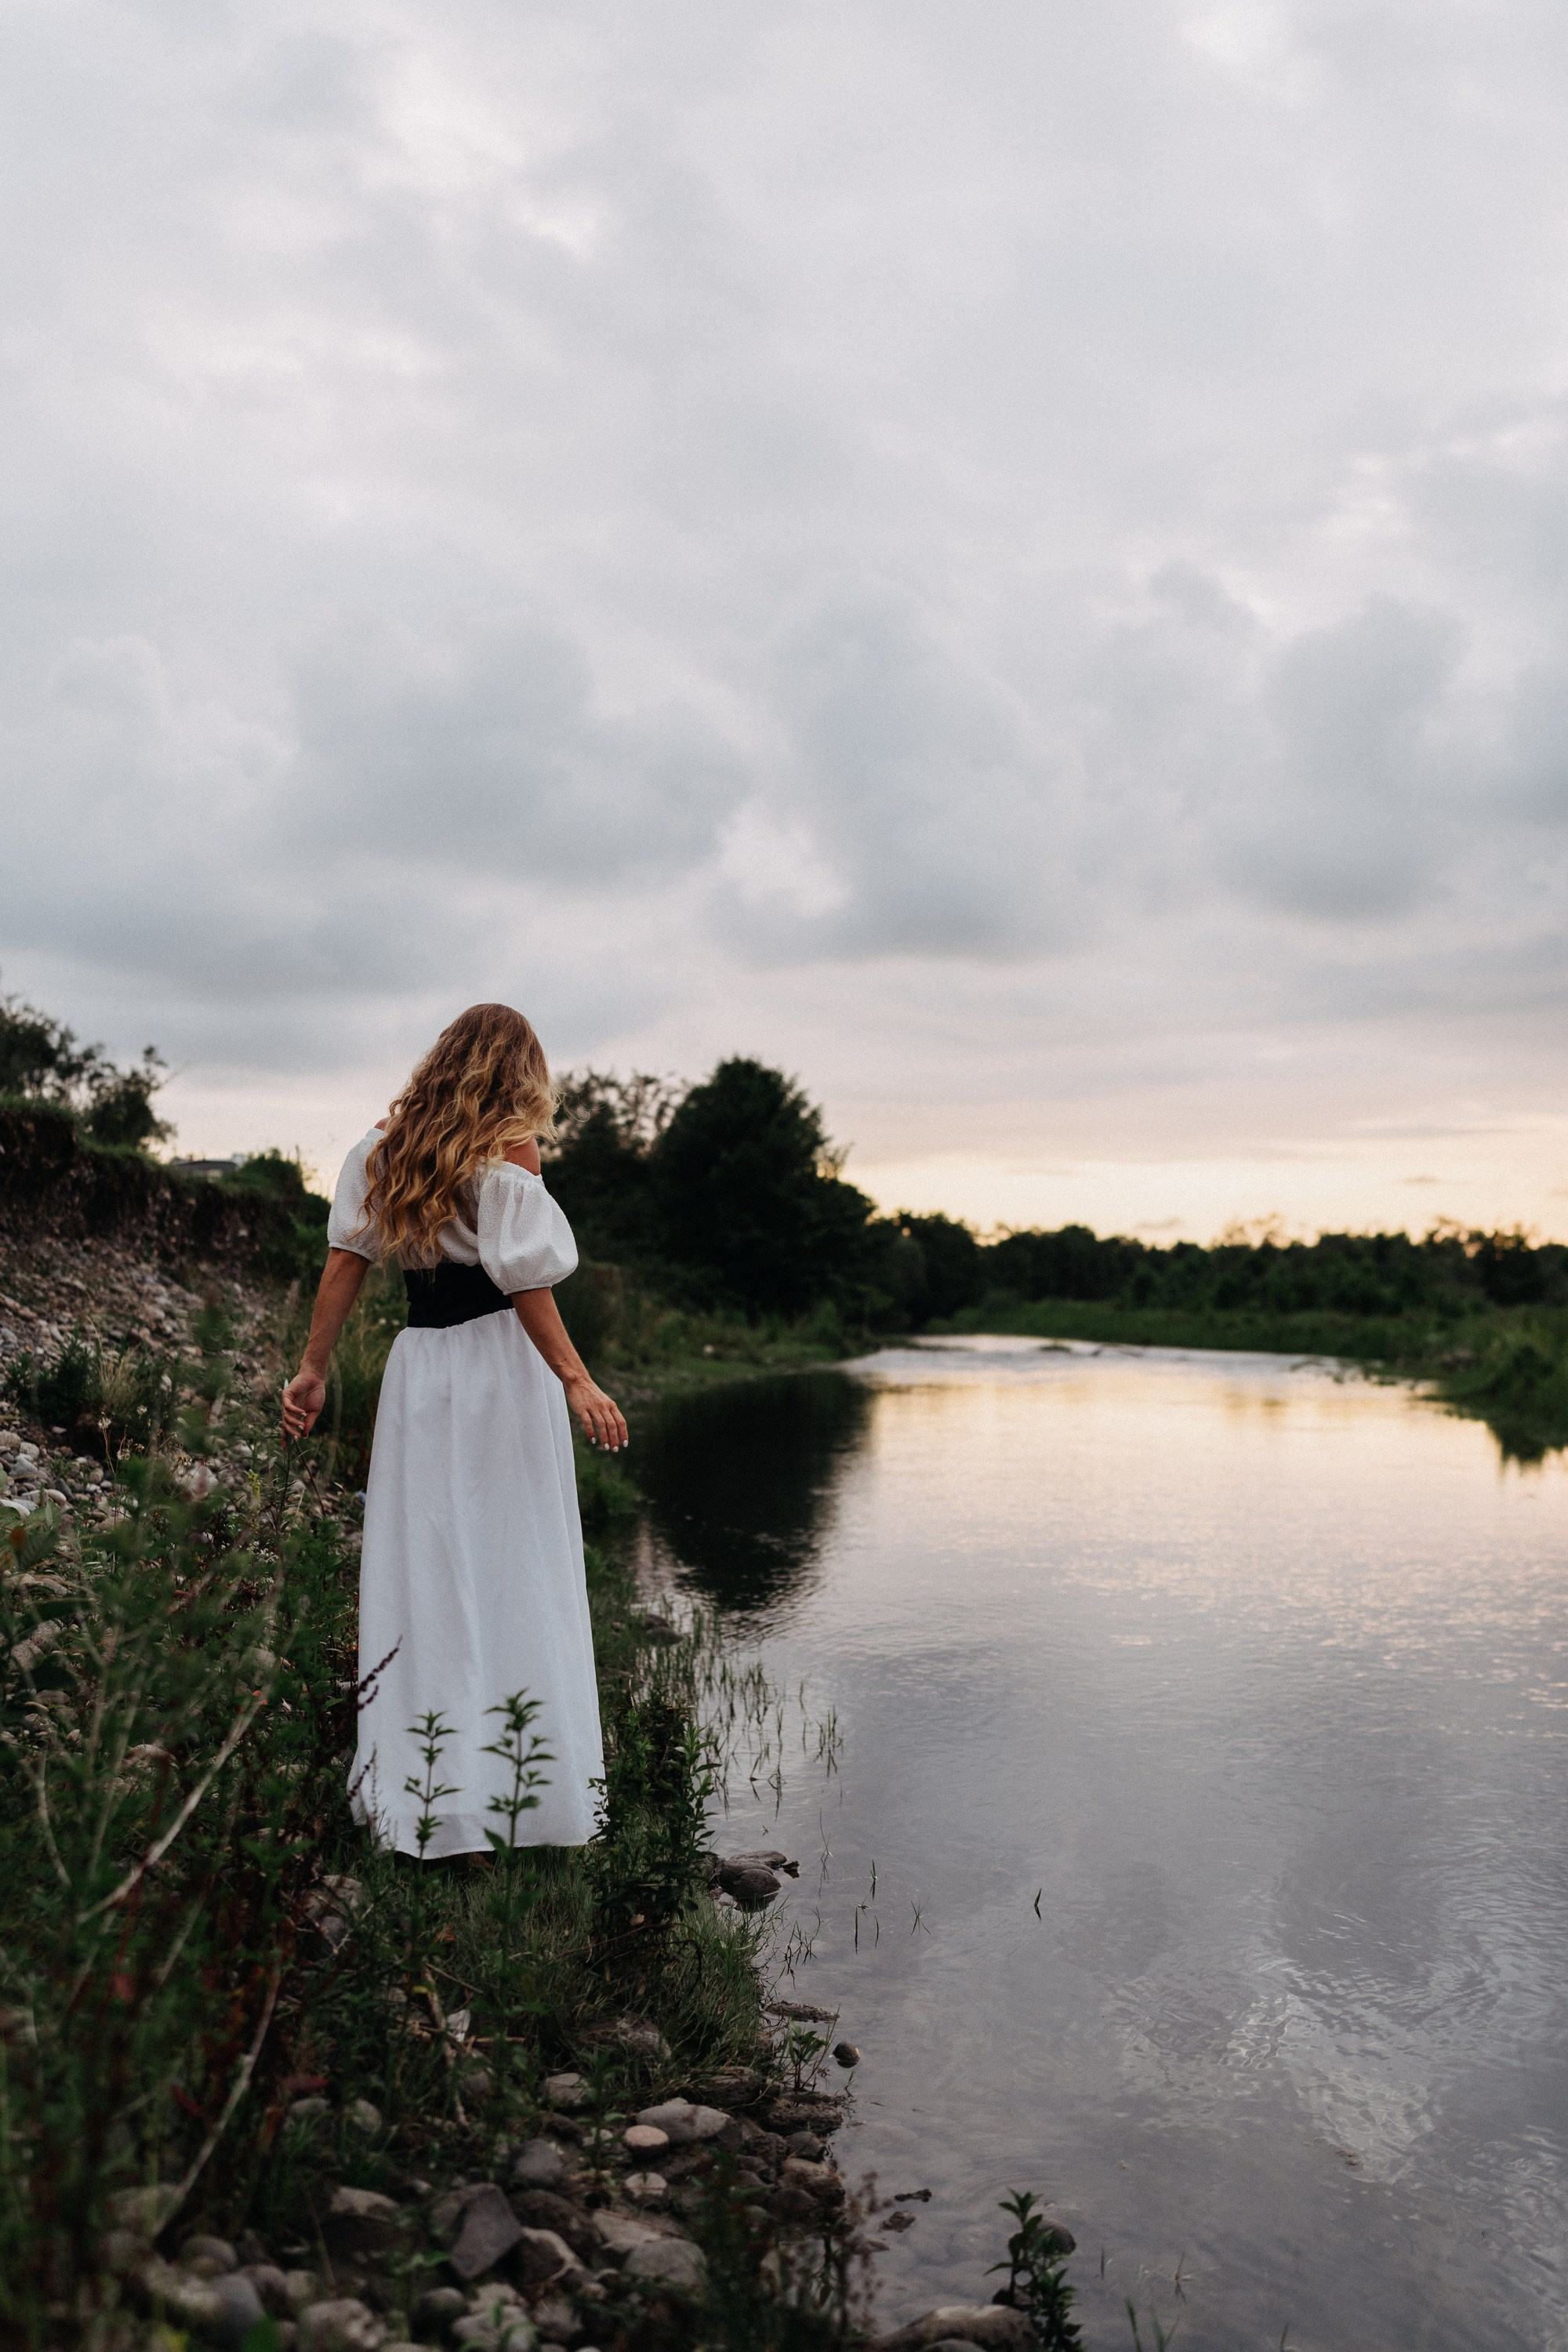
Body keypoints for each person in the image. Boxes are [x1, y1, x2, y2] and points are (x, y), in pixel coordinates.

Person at [280, 1003, 627, 1858]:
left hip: (421, 1371)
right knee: (515, 1560)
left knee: (426, 1564)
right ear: (516, 1071)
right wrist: (577, 1378)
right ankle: (518, 1796)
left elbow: (342, 1264)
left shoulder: (380, 1147)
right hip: (503, 1370)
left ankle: (433, 1800)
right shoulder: (509, 1147)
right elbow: (523, 1281)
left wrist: (312, 1369)